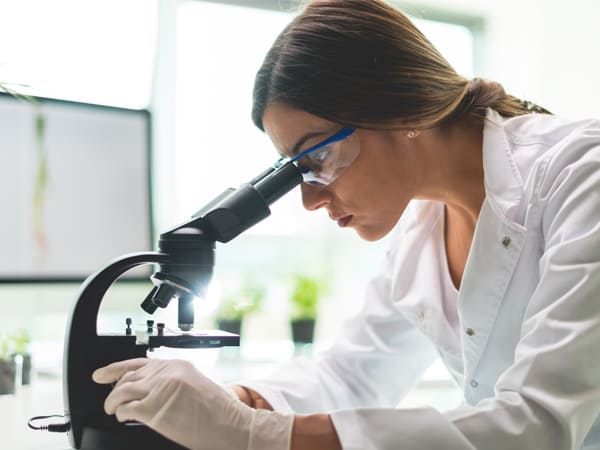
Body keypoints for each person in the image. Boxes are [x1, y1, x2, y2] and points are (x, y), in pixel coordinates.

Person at [92, 0, 600, 449]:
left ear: (399, 107)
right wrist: (232, 400)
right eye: (296, 171)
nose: (310, 199)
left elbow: (537, 424)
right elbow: (351, 375)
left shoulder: (582, 173)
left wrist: (251, 434)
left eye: (318, 157)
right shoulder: (421, 227)